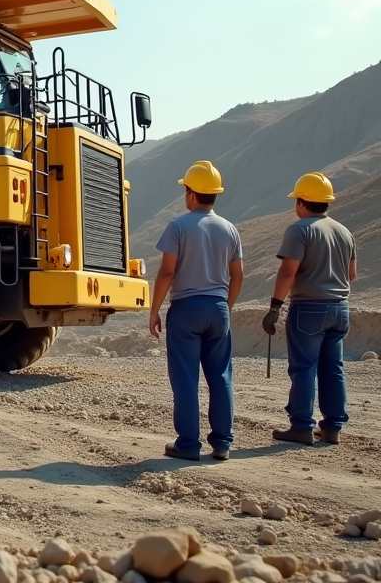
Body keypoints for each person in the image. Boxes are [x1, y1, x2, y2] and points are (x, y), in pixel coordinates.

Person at [149, 160, 244, 462]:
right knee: (221, 377)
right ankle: (222, 444)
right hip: (218, 308)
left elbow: (166, 273)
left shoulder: (178, 226)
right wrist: (225, 307)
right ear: (214, 195)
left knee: (186, 379)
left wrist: (154, 311)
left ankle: (188, 445)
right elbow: (238, 275)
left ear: (190, 193)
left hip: (186, 309)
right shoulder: (230, 229)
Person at [262, 172, 357, 445]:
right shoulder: (344, 231)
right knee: (333, 368)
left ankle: (302, 426)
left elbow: (287, 271)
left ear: (301, 202)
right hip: (341, 307)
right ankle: (332, 427)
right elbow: (352, 273)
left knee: (304, 368)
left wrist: (274, 307)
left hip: (308, 308)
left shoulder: (300, 229)